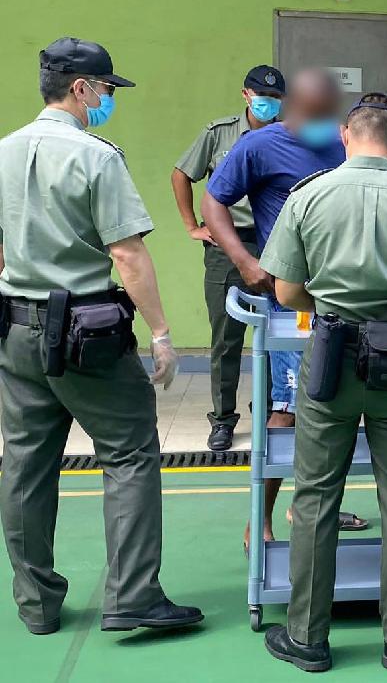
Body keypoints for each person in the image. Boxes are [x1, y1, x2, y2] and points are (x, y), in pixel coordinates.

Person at [0, 37, 202, 635]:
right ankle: (134, 594)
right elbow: (126, 253)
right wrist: (162, 334)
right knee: (131, 453)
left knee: (26, 466)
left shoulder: (5, 152)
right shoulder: (96, 156)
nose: (109, 98)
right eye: (107, 88)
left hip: (16, 327)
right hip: (86, 334)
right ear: (81, 88)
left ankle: (35, 604)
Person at [260, 92, 387, 672]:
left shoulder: (308, 196)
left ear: (346, 137)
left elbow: (285, 292)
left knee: (317, 496)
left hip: (331, 361)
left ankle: (308, 637)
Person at [201, 68, 367, 549]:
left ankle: (308, 506)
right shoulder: (258, 147)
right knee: (287, 410)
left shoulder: (345, 143)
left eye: (327, 115)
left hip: (341, 296)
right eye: (312, 114)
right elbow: (215, 203)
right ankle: (262, 517)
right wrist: (244, 260)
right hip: (288, 302)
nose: (321, 124)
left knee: (336, 407)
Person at [172, 65, 285, 452]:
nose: (268, 103)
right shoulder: (218, 133)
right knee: (226, 339)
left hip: (274, 246)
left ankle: (272, 407)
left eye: (275, 98)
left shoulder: (288, 135)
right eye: (261, 95)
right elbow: (181, 174)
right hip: (226, 246)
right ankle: (223, 418)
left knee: (278, 333)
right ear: (246, 95)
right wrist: (192, 226)